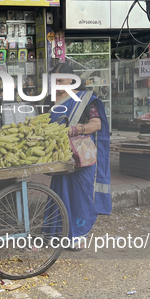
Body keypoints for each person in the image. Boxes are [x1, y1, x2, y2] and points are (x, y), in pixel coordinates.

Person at [47, 63, 111, 250]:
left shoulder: (85, 99)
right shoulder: (51, 100)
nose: (56, 85)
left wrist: (75, 129)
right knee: (60, 192)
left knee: (79, 195)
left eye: (59, 81)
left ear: (71, 80)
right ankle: (59, 234)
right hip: (59, 153)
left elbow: (96, 124)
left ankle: (78, 236)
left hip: (81, 154)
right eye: (53, 82)